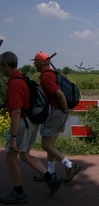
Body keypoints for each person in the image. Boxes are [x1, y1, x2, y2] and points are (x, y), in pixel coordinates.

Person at [0, 51, 63, 204]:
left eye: (1, 67)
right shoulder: (24, 79)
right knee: (25, 155)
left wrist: (13, 137)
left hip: (22, 123)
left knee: (10, 158)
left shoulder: (14, 84)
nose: (0, 70)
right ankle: (51, 178)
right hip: (32, 122)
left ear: (6, 65)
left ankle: (19, 191)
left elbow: (15, 112)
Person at [31, 51, 81, 183]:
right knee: (51, 144)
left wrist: (64, 108)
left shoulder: (46, 76)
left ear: (40, 63)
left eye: (35, 62)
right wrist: (66, 110)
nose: (34, 64)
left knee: (45, 144)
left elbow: (58, 93)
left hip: (55, 112)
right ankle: (50, 172)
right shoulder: (54, 74)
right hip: (61, 112)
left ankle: (70, 165)